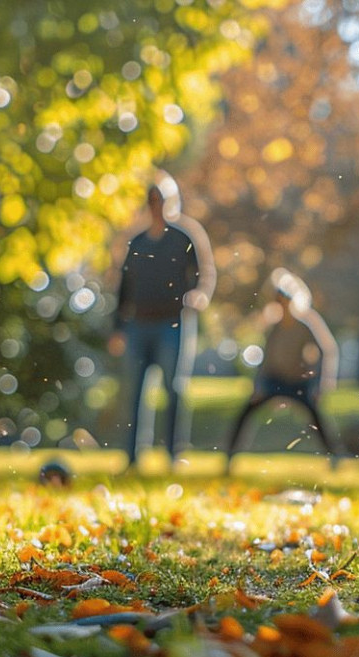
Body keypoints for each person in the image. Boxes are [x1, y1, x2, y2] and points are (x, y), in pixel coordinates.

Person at [107, 174, 215, 471]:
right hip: (137, 326)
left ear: (172, 201)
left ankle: (172, 454)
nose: (157, 206)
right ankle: (131, 457)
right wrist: (117, 328)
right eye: (152, 200)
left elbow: (205, 275)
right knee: (134, 392)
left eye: (161, 200)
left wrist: (199, 296)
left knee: (173, 389)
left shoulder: (186, 237)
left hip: (172, 324)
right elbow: (124, 289)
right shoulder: (138, 242)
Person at [225, 270, 339, 472]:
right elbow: (266, 359)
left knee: (316, 417)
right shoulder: (274, 326)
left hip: (299, 382)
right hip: (274, 380)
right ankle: (229, 455)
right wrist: (258, 386)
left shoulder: (306, 324)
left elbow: (326, 351)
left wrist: (319, 384)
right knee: (246, 412)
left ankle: (334, 456)